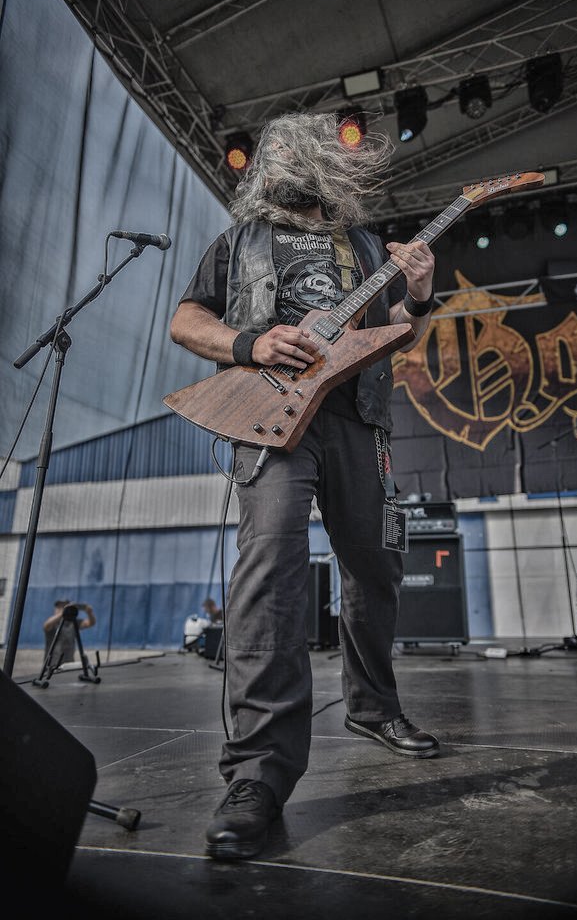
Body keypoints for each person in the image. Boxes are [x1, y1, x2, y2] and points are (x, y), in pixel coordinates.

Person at [169, 111, 438, 862]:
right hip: (274, 420)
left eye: (296, 148)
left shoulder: (359, 243)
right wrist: (251, 341)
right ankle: (258, 772)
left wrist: (416, 293)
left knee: (376, 566)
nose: (281, 157)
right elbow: (185, 321)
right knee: (272, 571)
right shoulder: (240, 241)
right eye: (273, 149)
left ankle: (372, 706)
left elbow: (395, 330)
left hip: (357, 417)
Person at [43, 599, 96, 665]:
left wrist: (89, 613)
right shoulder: (53, 624)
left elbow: (90, 623)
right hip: (52, 664)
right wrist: (63, 613)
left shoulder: (73, 622)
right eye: (59, 607)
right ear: (55, 609)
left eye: (63, 607)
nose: (60, 609)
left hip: (68, 663)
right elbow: (46, 625)